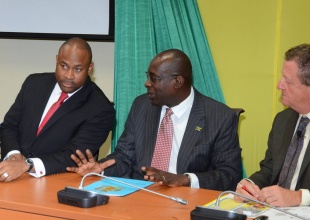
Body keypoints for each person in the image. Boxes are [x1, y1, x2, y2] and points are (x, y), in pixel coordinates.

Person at [67, 49, 242, 190]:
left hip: (187, 202)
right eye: (148, 76)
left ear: (178, 82)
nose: (147, 83)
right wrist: (101, 169)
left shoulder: (219, 117)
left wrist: (185, 179)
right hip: (140, 197)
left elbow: (229, 175)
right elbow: (124, 156)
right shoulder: (142, 105)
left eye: (154, 78)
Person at [0, 37, 115, 182]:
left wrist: (26, 165)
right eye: (64, 66)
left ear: (90, 68)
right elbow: (9, 126)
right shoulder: (33, 83)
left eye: (78, 69)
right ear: (56, 60)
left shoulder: (100, 109)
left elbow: (73, 156)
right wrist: (14, 155)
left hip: (54, 182)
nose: (69, 75)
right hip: (10, 174)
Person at [235, 44, 310, 207]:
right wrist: (249, 185)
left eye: (288, 81)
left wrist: (299, 197)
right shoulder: (283, 120)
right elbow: (269, 170)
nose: (279, 85)